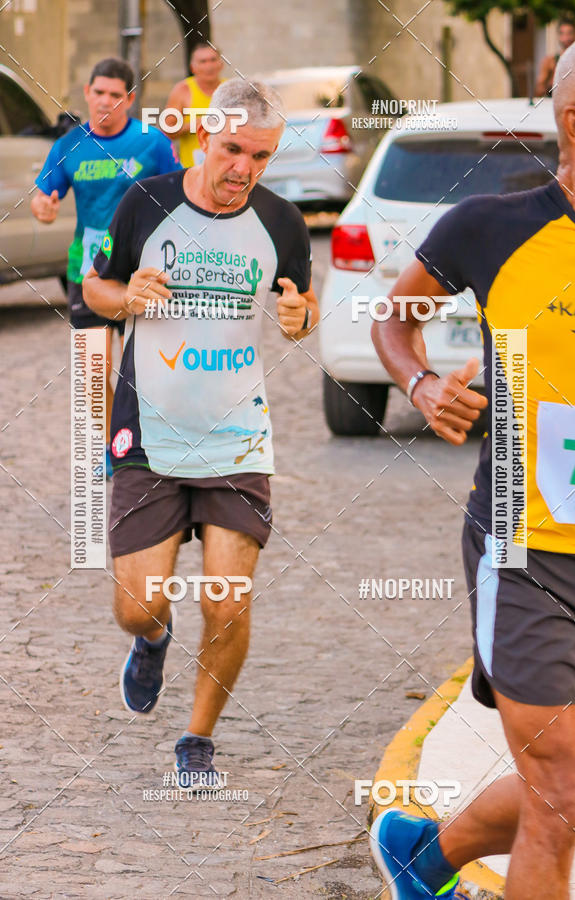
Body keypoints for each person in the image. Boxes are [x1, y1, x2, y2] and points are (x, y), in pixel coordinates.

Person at [370, 30, 575, 900]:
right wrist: (424, 385)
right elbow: (396, 320)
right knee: (561, 793)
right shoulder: (491, 227)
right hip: (526, 549)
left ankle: (423, 856)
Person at [82, 78, 319, 789]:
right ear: (204, 139)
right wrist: (126, 296)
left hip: (237, 438)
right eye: (232, 149)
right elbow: (94, 290)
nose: (244, 167)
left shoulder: (284, 225)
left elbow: (301, 305)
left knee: (227, 598)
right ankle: (153, 638)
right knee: (137, 604)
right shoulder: (145, 203)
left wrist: (300, 318)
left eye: (262, 156)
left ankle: (197, 740)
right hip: (149, 434)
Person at [31, 57, 181, 476]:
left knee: (152, 368)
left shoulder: (152, 143)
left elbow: (180, 194)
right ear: (88, 94)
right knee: (93, 374)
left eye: (116, 95)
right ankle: (118, 447)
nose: (106, 102)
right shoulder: (68, 146)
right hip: (88, 272)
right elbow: (44, 196)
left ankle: (156, 439)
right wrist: (43, 207)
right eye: (99, 93)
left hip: (142, 271)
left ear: (130, 100)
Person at [164, 41, 224, 167]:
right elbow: (167, 131)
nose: (209, 66)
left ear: (221, 63)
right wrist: (198, 123)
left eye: (213, 60)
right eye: (203, 61)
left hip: (226, 168)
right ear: (192, 67)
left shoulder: (232, 89)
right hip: (192, 169)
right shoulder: (182, 90)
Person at [535, 17, 575, 97]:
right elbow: (539, 90)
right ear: (559, 36)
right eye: (562, 33)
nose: (566, 38)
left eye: (569, 33)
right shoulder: (550, 62)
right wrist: (550, 84)